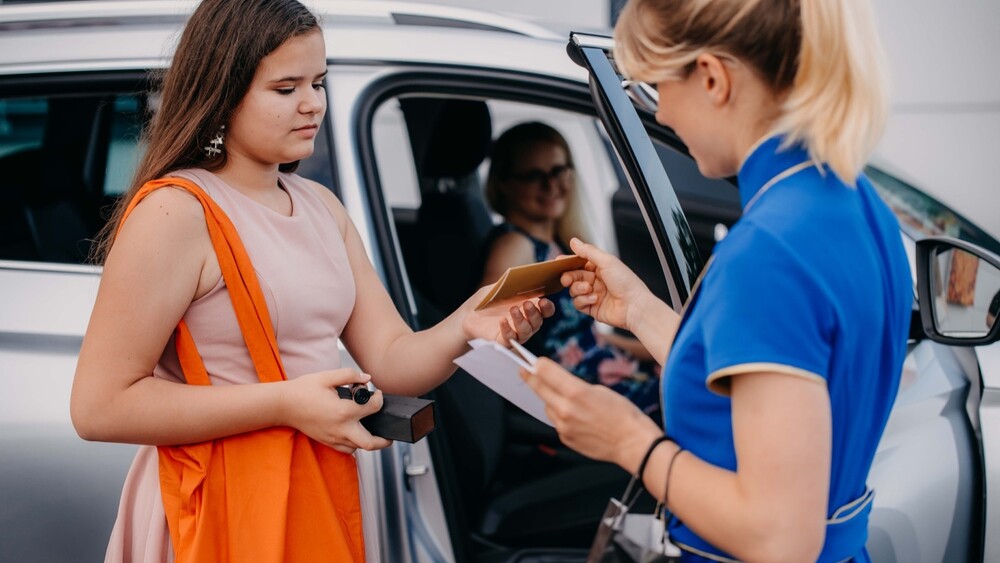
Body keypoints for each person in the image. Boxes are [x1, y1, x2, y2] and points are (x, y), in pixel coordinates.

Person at [69, 1, 552, 561]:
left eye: (319, 82)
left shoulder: (320, 205)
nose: (313, 104)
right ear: (223, 93)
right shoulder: (178, 212)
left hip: (312, 487)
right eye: (285, 88)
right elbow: (99, 406)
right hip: (224, 504)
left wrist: (471, 321)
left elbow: (393, 358)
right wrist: (286, 404)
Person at [521, 0, 912, 561]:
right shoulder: (857, 205)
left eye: (656, 84)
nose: (660, 116)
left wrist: (630, 442)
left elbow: (779, 537)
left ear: (711, 77)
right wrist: (640, 310)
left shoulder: (769, 250)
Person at [481, 121, 661, 417]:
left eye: (558, 171)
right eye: (534, 176)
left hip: (605, 369)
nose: (551, 185)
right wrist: (552, 405)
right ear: (503, 183)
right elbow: (491, 339)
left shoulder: (551, 241)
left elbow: (584, 338)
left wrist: (655, 347)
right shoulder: (514, 244)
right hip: (584, 391)